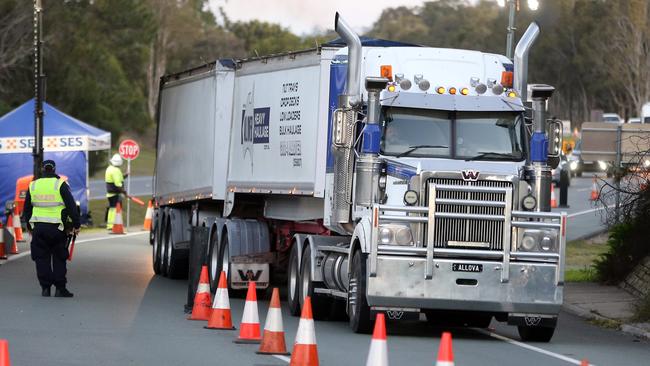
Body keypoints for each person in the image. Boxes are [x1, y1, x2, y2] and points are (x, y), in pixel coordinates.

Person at [22, 160, 80, 297]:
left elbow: (27, 209)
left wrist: (30, 226)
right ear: (54, 169)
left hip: (38, 228)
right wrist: (76, 225)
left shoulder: (33, 185)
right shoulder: (60, 184)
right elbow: (71, 207)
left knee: (41, 258)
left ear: (42, 169)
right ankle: (60, 289)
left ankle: (45, 288)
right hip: (57, 228)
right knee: (59, 257)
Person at [105, 153, 127, 230]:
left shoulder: (109, 168)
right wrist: (124, 192)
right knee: (116, 209)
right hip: (115, 193)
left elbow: (118, 177)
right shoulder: (116, 170)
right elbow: (118, 184)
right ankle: (116, 224)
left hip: (109, 193)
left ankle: (110, 225)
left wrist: (125, 176)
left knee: (112, 208)